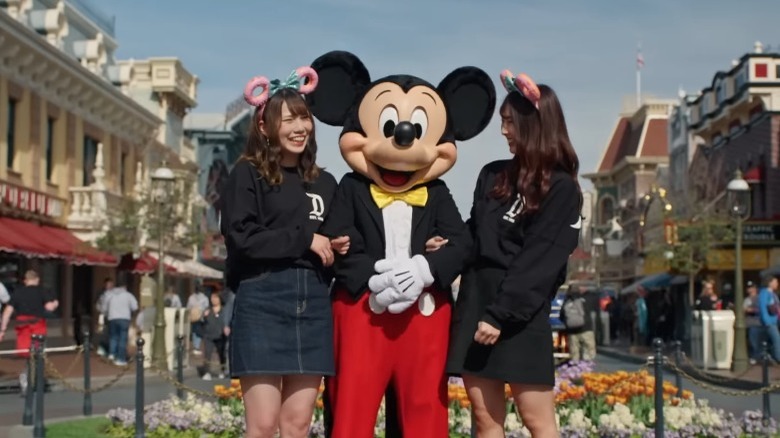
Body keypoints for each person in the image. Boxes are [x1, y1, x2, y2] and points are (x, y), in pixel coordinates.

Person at [446, 71, 581, 438]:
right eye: (502, 123)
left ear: (533, 124)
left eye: (509, 122)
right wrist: (445, 248)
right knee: (485, 420)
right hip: (477, 303)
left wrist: (500, 315)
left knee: (537, 420)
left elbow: (541, 260)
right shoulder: (493, 176)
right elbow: (474, 234)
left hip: (520, 313)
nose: (503, 131)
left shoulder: (562, 189)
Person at [221, 65, 346, 438]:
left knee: (298, 425)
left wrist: (339, 246)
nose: (299, 128)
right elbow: (241, 238)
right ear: (264, 127)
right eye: (288, 119)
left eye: (304, 118)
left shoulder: (325, 182)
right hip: (261, 299)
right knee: (261, 426)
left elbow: (338, 240)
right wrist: (304, 239)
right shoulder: (247, 174)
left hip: (313, 306)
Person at [0, 269, 58, 394]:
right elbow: (49, 307)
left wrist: (2, 330)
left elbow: (7, 312)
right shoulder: (42, 291)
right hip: (37, 326)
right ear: (37, 279)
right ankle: (32, 380)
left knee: (27, 355)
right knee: (38, 355)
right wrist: (55, 303)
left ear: (25, 280)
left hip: (23, 327)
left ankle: (27, 380)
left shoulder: (18, 292)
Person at [98, 281, 138, 366]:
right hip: (124, 318)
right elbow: (135, 306)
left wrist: (107, 313)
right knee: (122, 338)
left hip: (112, 318)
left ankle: (112, 354)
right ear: (124, 286)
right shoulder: (128, 295)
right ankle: (120, 359)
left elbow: (104, 307)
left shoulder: (110, 295)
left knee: (113, 337)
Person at [561, 285, 596, 361]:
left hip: (572, 331)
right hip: (586, 329)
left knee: (574, 356)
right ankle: (587, 370)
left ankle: (575, 371)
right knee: (589, 354)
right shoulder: (586, 299)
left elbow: (562, 316)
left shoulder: (566, 301)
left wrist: (568, 324)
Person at [757, 275, 780, 362]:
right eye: (775, 282)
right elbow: (763, 308)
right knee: (776, 339)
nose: (777, 284)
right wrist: (766, 321)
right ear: (770, 283)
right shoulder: (764, 293)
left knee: (773, 340)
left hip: (775, 320)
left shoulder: (773, 294)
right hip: (769, 321)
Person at [186, 287, 209, 356]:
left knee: (194, 331)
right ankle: (197, 347)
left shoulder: (191, 297)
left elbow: (188, 307)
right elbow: (206, 307)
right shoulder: (204, 298)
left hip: (193, 316)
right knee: (199, 332)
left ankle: (195, 347)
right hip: (200, 317)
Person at [743, 281, 762, 364]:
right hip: (748, 323)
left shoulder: (759, 298)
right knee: (750, 341)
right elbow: (743, 309)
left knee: (756, 341)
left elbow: (761, 309)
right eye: (748, 288)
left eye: (751, 287)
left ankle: (756, 357)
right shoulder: (746, 299)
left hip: (757, 322)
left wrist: (751, 310)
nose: (749, 289)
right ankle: (752, 356)